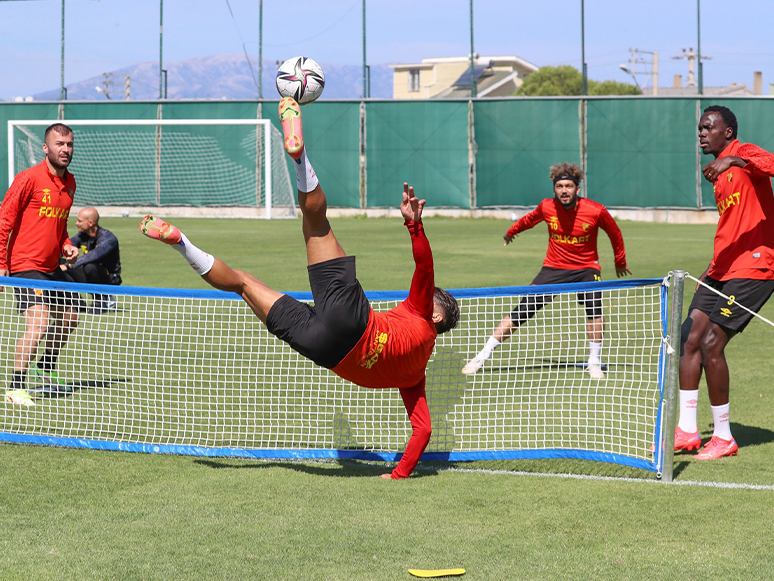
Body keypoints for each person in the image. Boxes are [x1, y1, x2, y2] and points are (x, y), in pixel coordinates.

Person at [139, 97, 460, 479]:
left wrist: (414, 225)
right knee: (242, 283)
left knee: (316, 221)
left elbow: (424, 264)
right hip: (324, 351)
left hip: (353, 318)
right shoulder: (416, 375)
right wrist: (398, 474)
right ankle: (182, 245)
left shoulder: (422, 312)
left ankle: (299, 156)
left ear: (437, 313)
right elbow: (422, 430)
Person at [462, 162, 630, 379]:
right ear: (554, 189)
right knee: (521, 311)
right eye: (559, 186)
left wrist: (620, 261)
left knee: (594, 310)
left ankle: (594, 362)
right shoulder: (546, 206)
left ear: (577, 189)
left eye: (569, 186)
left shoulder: (596, 210)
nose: (564, 190)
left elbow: (615, 233)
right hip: (553, 268)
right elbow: (529, 220)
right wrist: (511, 232)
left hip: (587, 268)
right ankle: (481, 357)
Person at [673, 105, 774, 460]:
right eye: (699, 128)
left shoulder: (742, 153)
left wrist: (734, 162)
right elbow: (730, 229)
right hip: (721, 270)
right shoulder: (716, 176)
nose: (701, 133)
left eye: (708, 127)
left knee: (712, 343)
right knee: (689, 337)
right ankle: (686, 431)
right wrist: (710, 269)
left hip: (756, 268)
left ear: (727, 132)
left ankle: (724, 437)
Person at [0, 123, 82, 406]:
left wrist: (66, 245)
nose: (66, 149)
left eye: (69, 144)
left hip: (51, 267)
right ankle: (15, 388)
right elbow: (4, 221)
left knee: (70, 317)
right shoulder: (28, 179)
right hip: (24, 265)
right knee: (39, 323)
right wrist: (1, 264)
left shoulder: (70, 182)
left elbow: (59, 225)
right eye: (60, 144)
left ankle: (44, 367)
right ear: (46, 148)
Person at [63, 207, 122, 314]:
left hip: (109, 279)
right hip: (90, 273)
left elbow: (93, 255)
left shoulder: (108, 238)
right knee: (60, 264)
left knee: (89, 266)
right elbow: (67, 247)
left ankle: (101, 300)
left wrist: (68, 266)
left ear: (90, 223)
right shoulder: (82, 236)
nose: (76, 223)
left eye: (80, 221)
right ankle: (77, 303)